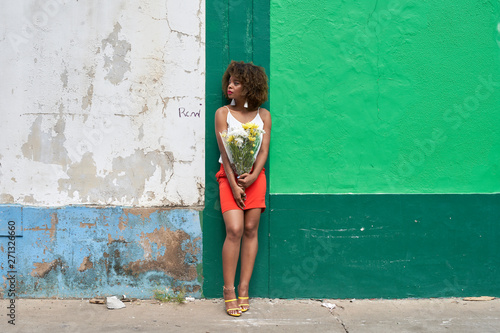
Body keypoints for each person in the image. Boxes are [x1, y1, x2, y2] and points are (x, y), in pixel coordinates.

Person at [215, 61, 271, 317]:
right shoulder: (222, 113)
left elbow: (263, 151)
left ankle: (244, 287)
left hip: (255, 178)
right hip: (229, 178)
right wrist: (235, 183)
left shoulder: (264, 116)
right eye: (230, 81)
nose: (230, 85)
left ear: (249, 87)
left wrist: (254, 176)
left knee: (250, 229)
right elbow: (225, 154)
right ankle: (228, 290)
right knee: (235, 229)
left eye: (236, 83)